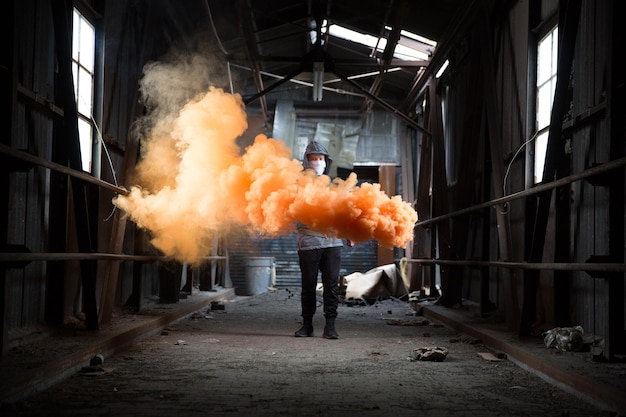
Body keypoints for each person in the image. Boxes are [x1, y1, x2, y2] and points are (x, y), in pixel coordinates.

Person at [294, 141, 353, 339]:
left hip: (333, 243)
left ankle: (330, 326)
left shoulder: (333, 185)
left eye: (320, 159)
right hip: (308, 242)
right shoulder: (297, 184)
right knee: (308, 286)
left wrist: (349, 233)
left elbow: (342, 211)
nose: (317, 162)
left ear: (326, 162)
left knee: (331, 285)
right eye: (313, 159)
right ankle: (307, 325)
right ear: (306, 161)